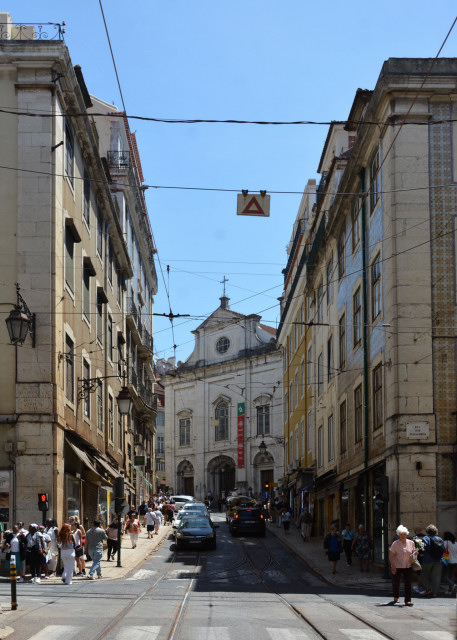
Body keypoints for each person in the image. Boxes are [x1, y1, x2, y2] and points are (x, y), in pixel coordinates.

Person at [389, 524, 416, 606]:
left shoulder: (411, 543)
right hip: (397, 566)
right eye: (401, 534)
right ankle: (396, 597)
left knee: (408, 583)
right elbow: (391, 557)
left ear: (407, 534)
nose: (403, 536)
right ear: (398, 535)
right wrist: (393, 566)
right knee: (396, 582)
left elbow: (413, 555)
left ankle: (407, 600)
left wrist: (415, 554)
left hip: (408, 566)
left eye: (404, 534)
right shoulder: (395, 544)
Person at [421, 524, 444, 597]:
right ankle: (434, 593)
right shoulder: (440, 539)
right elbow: (443, 549)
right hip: (439, 560)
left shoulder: (426, 538)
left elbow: (423, 547)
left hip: (427, 559)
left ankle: (428, 589)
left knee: (423, 575)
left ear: (427, 531)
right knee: (436, 577)